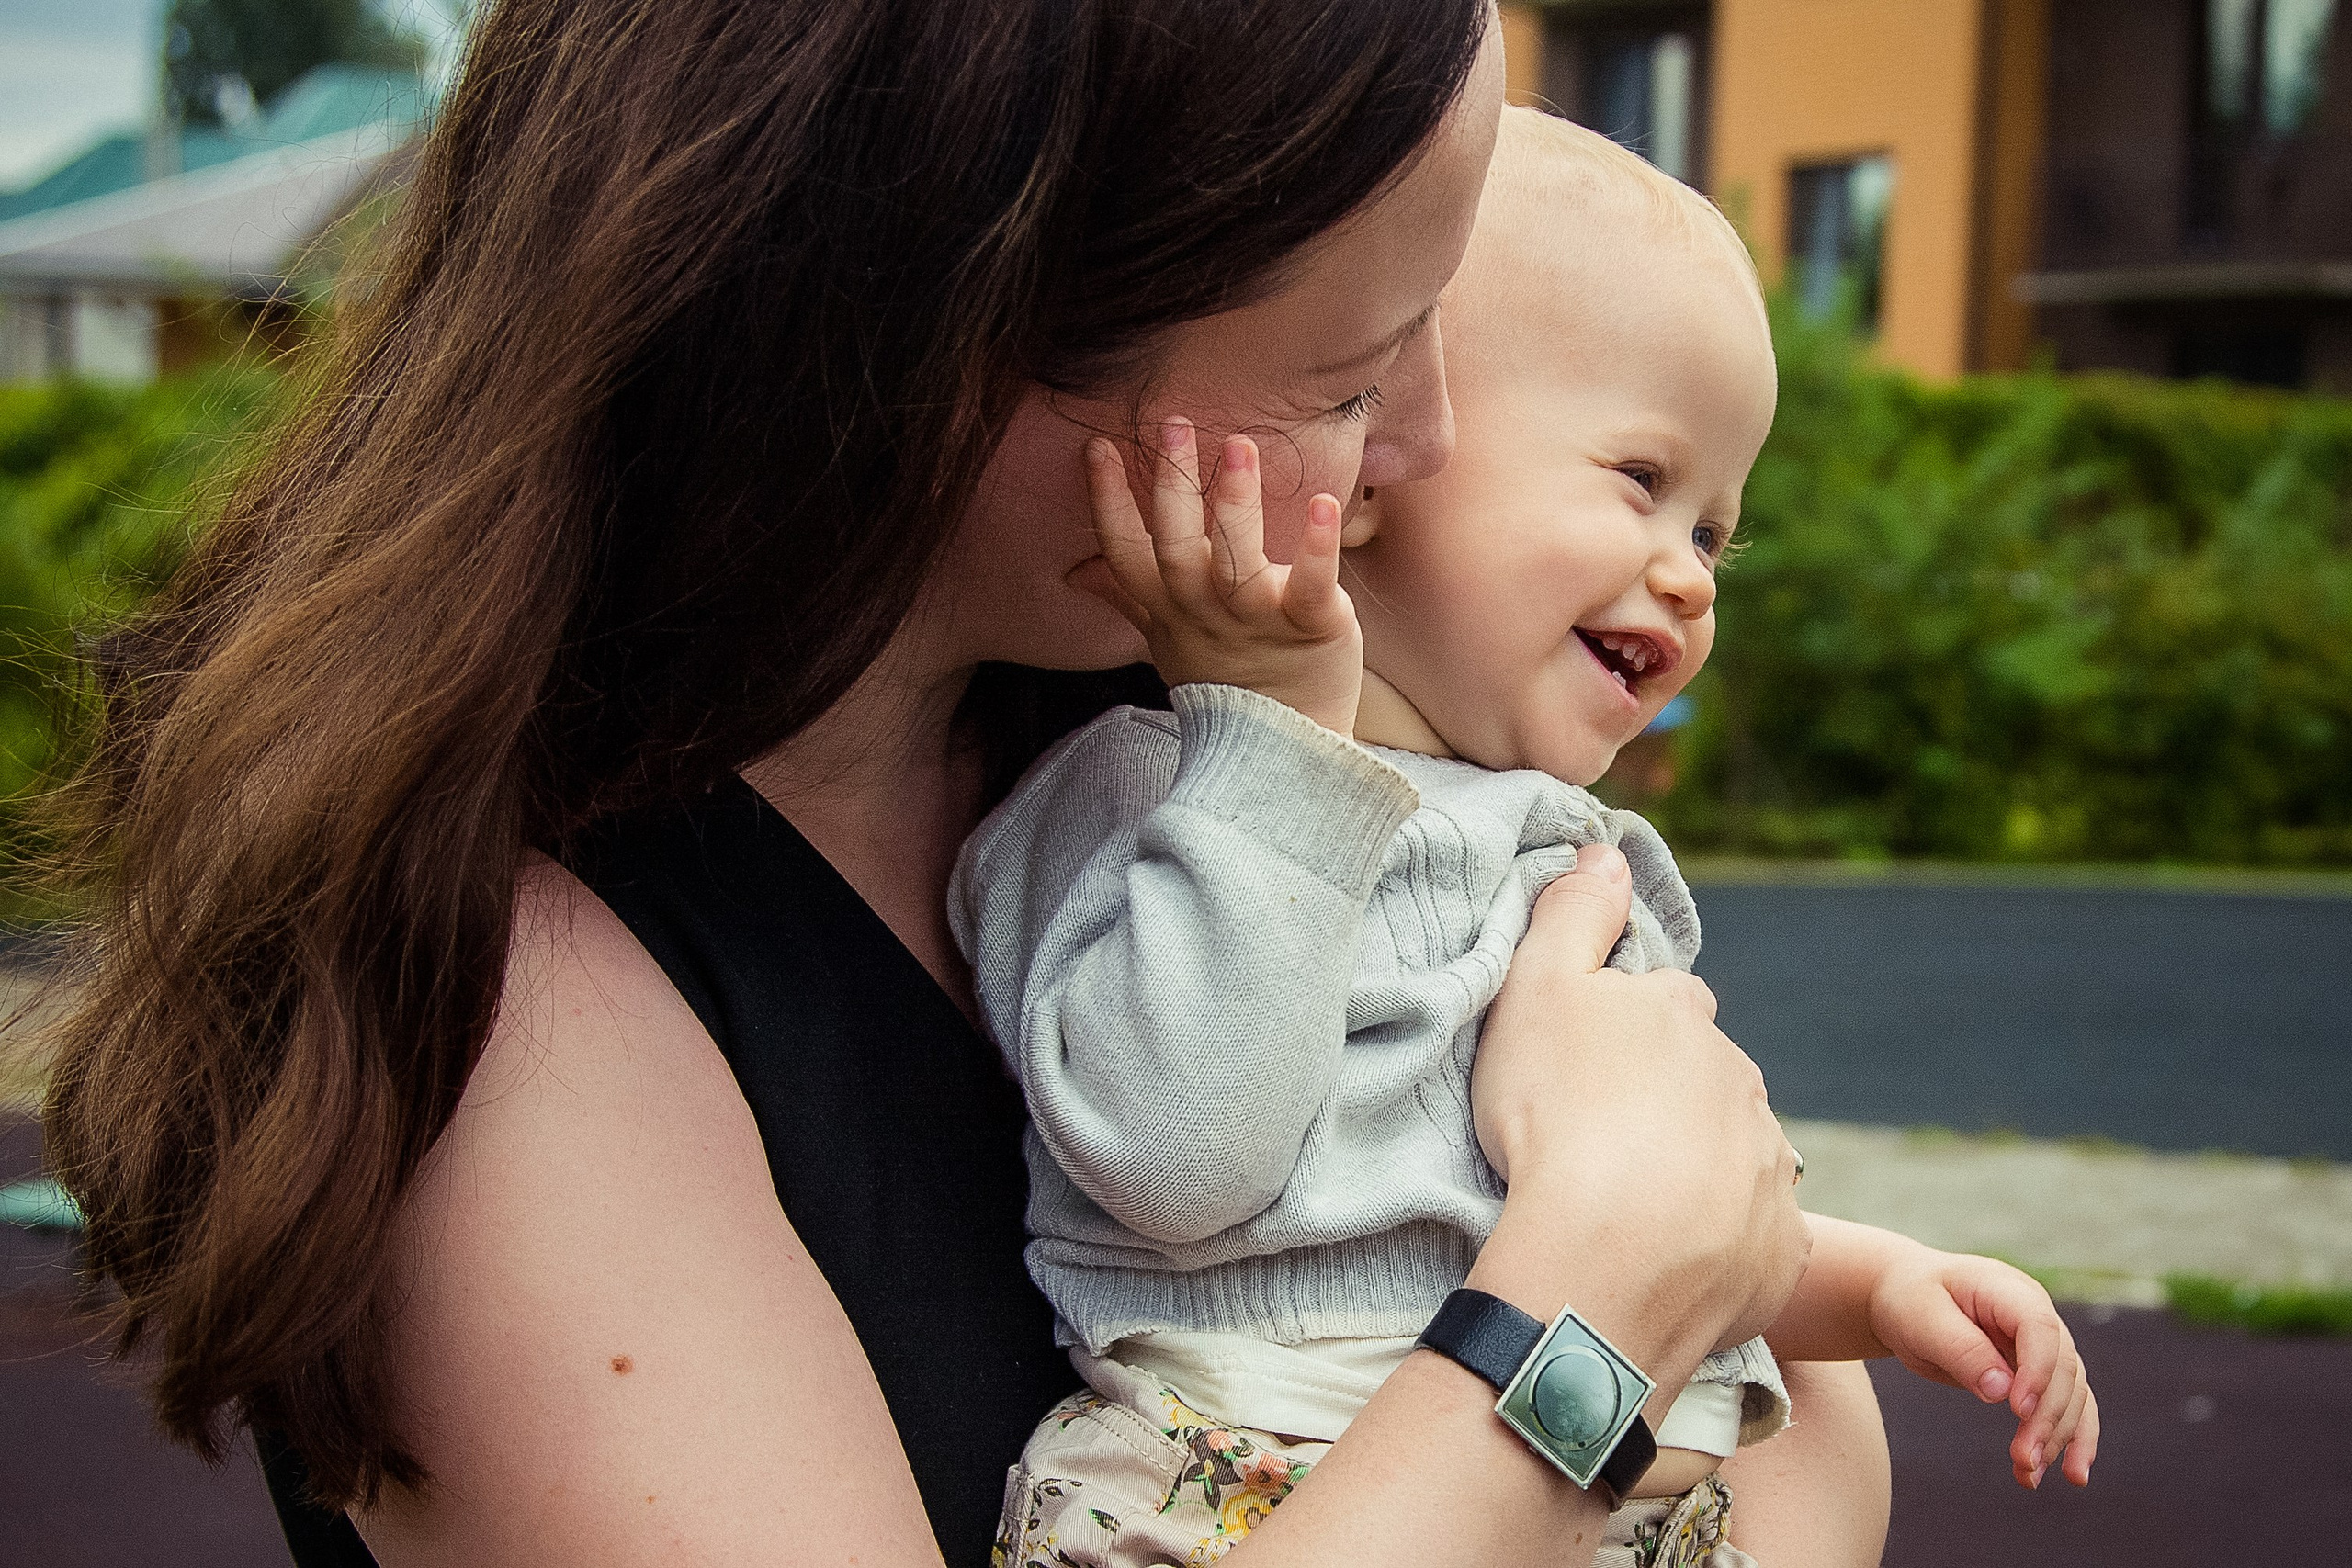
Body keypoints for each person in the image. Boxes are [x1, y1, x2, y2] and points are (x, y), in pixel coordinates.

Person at [35, 6, 1812, 1566]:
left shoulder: (1183, 746)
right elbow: (1662, 1290)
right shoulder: (506, 1005)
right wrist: (1591, 1317)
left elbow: (1809, 1456)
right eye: (1357, 371)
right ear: (966, 317)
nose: (1424, 450)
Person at [957, 108, 2099, 1568]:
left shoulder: (1582, 854)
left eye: (1715, 534)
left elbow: (1678, 1224)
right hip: (1254, 1494)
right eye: (1641, 482)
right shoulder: (1170, 793)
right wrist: (1282, 751)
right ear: (1378, 459)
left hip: (1608, 1498)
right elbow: (1179, 1163)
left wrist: (1879, 1287)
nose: (1688, 579)